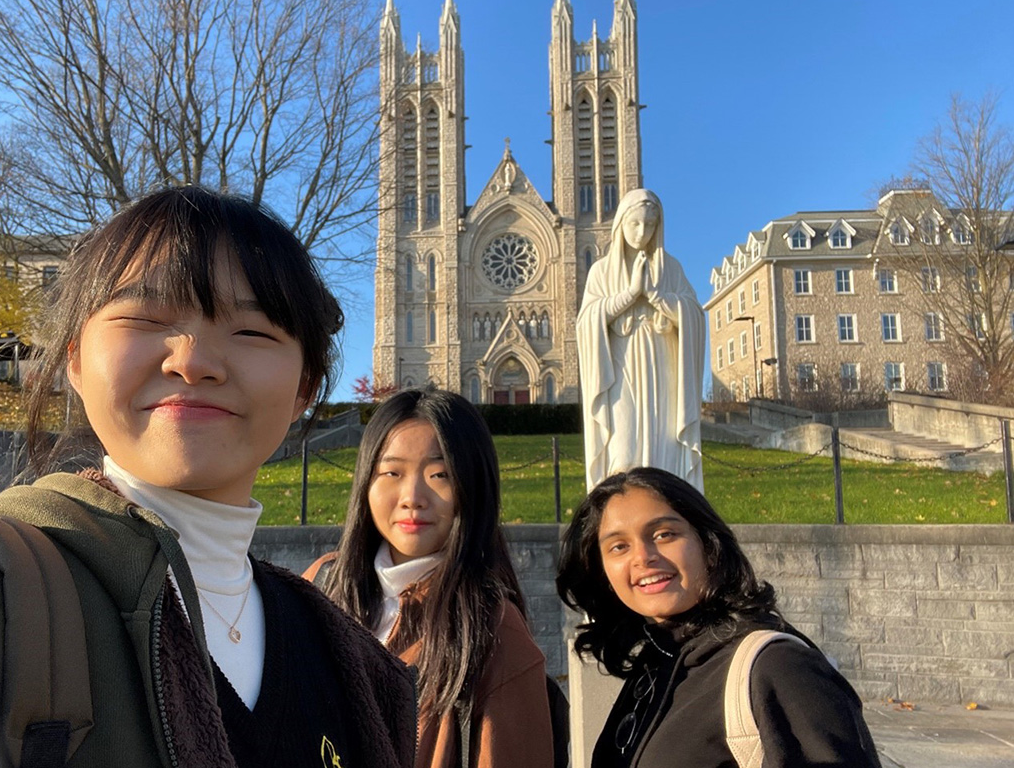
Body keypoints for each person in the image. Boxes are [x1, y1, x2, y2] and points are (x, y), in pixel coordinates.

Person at [0, 186, 417, 768]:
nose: (192, 360)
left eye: (252, 332)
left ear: (305, 387)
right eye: (144, 318)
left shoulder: (359, 669)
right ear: (74, 357)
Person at [557, 467, 881, 768]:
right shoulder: (656, 665)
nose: (643, 557)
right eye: (618, 546)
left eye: (664, 534)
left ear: (707, 543)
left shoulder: (778, 667)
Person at [305, 387, 555, 768]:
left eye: (440, 474)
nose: (412, 496)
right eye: (392, 472)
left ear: (473, 487)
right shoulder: (321, 585)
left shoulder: (494, 631)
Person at [576, 189, 705, 491]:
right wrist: (631, 294)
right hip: (620, 371)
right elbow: (586, 321)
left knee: (664, 448)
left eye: (650, 225)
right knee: (623, 447)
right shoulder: (601, 271)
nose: (642, 232)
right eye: (635, 224)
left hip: (662, 368)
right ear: (620, 222)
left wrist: (659, 298)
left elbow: (694, 315)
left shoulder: (670, 269)